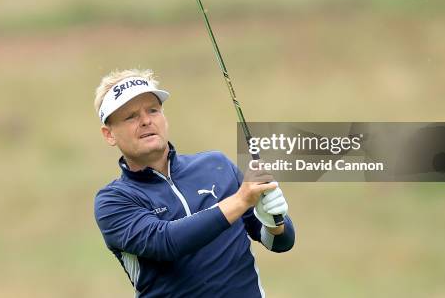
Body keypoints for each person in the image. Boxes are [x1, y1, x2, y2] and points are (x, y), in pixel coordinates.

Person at [93, 68, 295, 297]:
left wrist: (273, 222)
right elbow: (166, 242)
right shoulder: (113, 201)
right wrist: (241, 200)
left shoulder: (216, 165)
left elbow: (280, 243)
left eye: (153, 110)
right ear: (109, 134)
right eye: (131, 116)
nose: (146, 121)